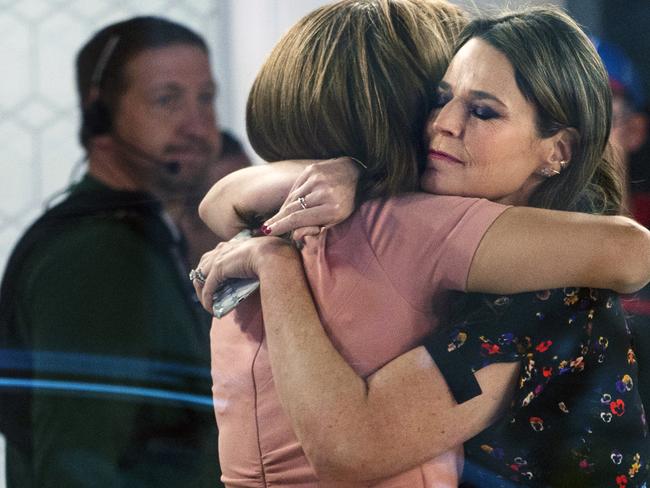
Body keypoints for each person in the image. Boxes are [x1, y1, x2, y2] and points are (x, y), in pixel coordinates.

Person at [195, 2, 650, 487]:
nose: (443, 124)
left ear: (556, 151)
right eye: (439, 98)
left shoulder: (547, 298)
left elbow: (351, 447)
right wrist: (347, 173)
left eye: (482, 111)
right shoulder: (430, 236)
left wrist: (278, 258)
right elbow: (217, 204)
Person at [0, 16, 224, 487]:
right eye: (167, 99)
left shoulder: (144, 236)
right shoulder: (96, 251)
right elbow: (75, 466)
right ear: (99, 114)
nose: (198, 125)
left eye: (206, 98)